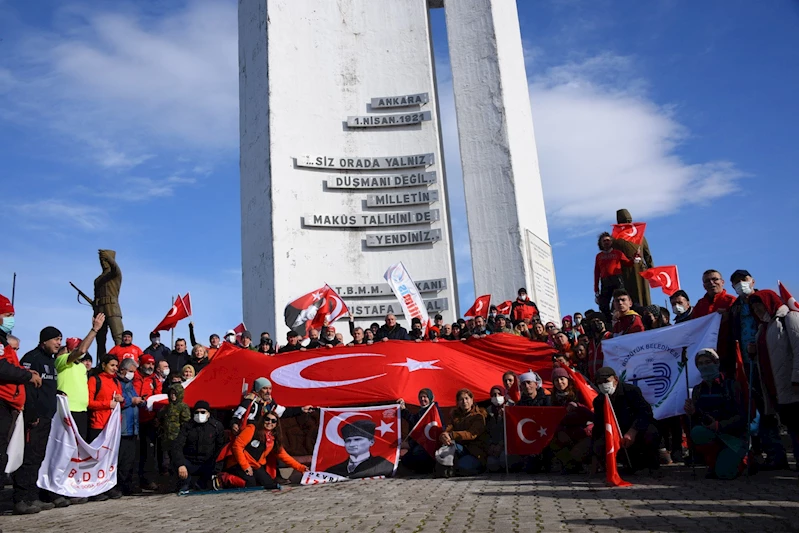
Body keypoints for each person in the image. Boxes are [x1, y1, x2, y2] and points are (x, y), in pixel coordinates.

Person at [15, 326, 75, 512]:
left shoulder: (51, 361)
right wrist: (31, 414)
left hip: (47, 416)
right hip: (34, 418)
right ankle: (21, 499)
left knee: (39, 457)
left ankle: (33, 496)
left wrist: (58, 392)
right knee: (29, 457)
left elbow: (46, 386)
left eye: (60, 339)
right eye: (56, 339)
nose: (59, 343)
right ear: (44, 341)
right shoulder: (31, 358)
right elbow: (27, 388)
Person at [751, 289, 799, 468]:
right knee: (791, 424)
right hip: (775, 386)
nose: (757, 309)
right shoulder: (763, 327)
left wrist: (797, 378)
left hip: (792, 384)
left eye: (759, 304)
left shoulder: (789, 318)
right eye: (754, 307)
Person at [684, 349, 747, 479]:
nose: (704, 366)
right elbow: (697, 419)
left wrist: (720, 425)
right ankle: (713, 461)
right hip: (711, 434)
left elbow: (742, 416)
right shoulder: (698, 389)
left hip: (732, 436)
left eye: (708, 362)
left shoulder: (732, 386)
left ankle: (745, 459)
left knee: (725, 473)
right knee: (697, 432)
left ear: (716, 363)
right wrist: (693, 412)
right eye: (700, 364)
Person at [592, 367, 659, 473]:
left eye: (606, 381)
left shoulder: (631, 391)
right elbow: (598, 425)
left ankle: (650, 463)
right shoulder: (599, 401)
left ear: (615, 379)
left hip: (636, 431)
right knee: (598, 445)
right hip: (615, 434)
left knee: (650, 433)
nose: (603, 385)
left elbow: (645, 413)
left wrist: (633, 431)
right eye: (599, 383)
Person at [55, 315, 105, 444]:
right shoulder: (62, 360)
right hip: (67, 410)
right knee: (67, 446)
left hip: (82, 411)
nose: (84, 350)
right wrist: (95, 329)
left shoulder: (82, 367)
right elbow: (82, 350)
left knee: (79, 447)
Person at [225, 412, 307, 488]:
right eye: (267, 419)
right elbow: (237, 446)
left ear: (276, 424)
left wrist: (301, 468)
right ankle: (225, 478)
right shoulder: (252, 429)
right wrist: (245, 466)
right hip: (238, 463)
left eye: (273, 421)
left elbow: (284, 456)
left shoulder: (273, 438)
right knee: (250, 483)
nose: (269, 422)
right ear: (263, 420)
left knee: (269, 484)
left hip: (255, 465)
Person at [86, 354, 124, 501]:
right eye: (112, 365)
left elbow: (120, 401)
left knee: (110, 459)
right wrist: (107, 404)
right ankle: (94, 488)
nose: (115, 368)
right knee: (97, 459)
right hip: (98, 424)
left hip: (112, 426)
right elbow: (89, 402)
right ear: (103, 365)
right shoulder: (94, 380)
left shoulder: (116, 381)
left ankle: (107, 486)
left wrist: (121, 400)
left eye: (116, 366)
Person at [172, 400, 226, 494]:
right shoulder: (187, 426)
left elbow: (221, 448)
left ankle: (203, 483)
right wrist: (180, 464)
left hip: (208, 462)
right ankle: (185, 484)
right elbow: (177, 446)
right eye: (197, 412)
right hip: (190, 461)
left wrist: (217, 468)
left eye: (203, 412)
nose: (199, 414)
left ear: (208, 414)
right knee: (177, 464)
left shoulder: (216, 427)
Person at [549, 367, 593, 474]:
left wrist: (578, 406)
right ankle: (570, 465)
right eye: (556, 380)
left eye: (562, 379)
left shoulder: (579, 394)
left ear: (568, 380)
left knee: (577, 452)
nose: (560, 382)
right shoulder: (552, 398)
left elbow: (590, 412)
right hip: (563, 430)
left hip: (581, 430)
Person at [230, 377, 312, 433]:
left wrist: (301, 409)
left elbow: (284, 412)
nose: (268, 391)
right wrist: (234, 424)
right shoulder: (249, 401)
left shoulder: (270, 403)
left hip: (264, 434)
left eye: (270, 388)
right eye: (265, 388)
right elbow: (237, 416)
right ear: (258, 389)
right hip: (248, 434)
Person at [438, 389, 488, 476]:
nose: (464, 402)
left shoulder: (479, 416)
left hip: (475, 452)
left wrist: (452, 435)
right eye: (461, 399)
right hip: (460, 449)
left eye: (466, 398)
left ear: (472, 400)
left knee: (462, 466)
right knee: (447, 446)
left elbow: (471, 434)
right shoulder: (455, 415)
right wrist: (444, 435)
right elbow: (449, 429)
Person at [612, 209, 654, 307]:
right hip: (630, 270)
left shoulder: (617, 237)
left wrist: (651, 270)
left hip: (634, 270)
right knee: (633, 296)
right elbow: (648, 255)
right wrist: (651, 269)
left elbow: (647, 255)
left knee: (637, 297)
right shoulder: (617, 237)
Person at [133, 353, 162, 491]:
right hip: (133, 419)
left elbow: (159, 399)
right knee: (134, 451)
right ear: (141, 364)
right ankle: (133, 481)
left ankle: (148, 480)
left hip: (149, 420)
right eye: (147, 363)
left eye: (152, 364)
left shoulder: (155, 380)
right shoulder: (133, 376)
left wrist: (157, 417)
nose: (150, 366)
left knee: (149, 452)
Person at [594, 232, 636, 322]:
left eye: (608, 240)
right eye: (604, 241)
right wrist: (596, 288)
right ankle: (609, 321)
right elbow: (596, 272)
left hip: (617, 279)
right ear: (600, 243)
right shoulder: (599, 256)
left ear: (612, 242)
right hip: (605, 281)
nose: (606, 242)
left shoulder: (618, 253)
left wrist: (634, 259)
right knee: (603, 304)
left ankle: (620, 318)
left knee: (619, 299)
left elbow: (628, 263)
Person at [117, 359, 143, 495]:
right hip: (122, 428)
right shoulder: (117, 383)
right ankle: (119, 486)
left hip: (133, 428)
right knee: (121, 459)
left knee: (131, 459)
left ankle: (129, 485)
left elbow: (135, 397)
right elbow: (118, 401)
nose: (132, 374)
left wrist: (140, 401)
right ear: (123, 370)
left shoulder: (130, 384)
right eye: (131, 371)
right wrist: (130, 401)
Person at [399, 388, 440, 474]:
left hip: (428, 444)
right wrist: (403, 409)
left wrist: (410, 444)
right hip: (419, 443)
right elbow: (414, 422)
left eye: (425, 397)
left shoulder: (434, 411)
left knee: (416, 454)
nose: (422, 399)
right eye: (420, 397)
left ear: (430, 398)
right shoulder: (421, 411)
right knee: (405, 458)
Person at [157, 382, 192, 474]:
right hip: (166, 437)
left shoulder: (183, 407)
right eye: (171, 394)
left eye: (175, 394)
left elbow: (186, 423)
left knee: (176, 459)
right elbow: (161, 418)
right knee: (166, 460)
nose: (173, 396)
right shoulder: (167, 407)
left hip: (177, 438)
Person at [485, 385, 521, 472]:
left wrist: (501, 445)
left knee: (504, 461)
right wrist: (491, 445)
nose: (496, 397)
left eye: (499, 394)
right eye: (494, 395)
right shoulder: (488, 411)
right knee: (491, 464)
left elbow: (512, 430)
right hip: (494, 445)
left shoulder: (511, 407)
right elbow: (488, 431)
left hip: (508, 446)